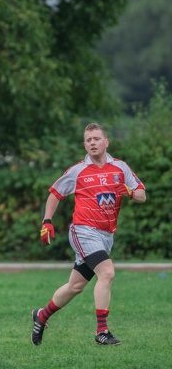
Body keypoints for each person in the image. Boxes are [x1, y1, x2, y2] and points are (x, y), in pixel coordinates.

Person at [32, 123, 146, 346]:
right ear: (84, 145)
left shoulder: (120, 168)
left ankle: (41, 316)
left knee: (76, 286)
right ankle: (102, 331)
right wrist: (47, 221)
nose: (92, 143)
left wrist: (131, 192)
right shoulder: (78, 171)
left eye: (96, 138)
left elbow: (142, 195)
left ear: (106, 142)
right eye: (88, 140)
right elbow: (55, 194)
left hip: (106, 235)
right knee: (107, 272)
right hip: (83, 231)